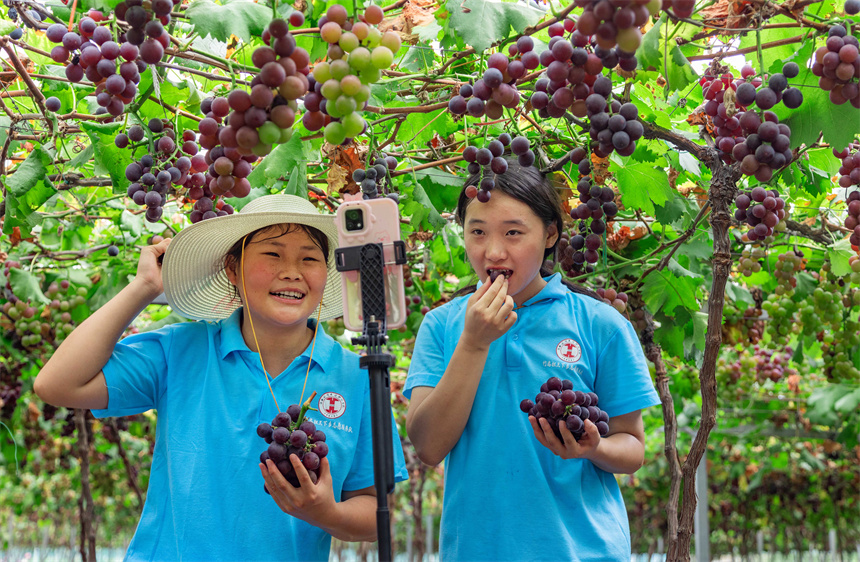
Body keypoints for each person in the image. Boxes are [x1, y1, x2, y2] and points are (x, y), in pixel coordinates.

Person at [35, 194, 408, 562]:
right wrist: (143, 289)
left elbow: (377, 511)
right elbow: (57, 384)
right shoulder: (180, 350)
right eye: (272, 253)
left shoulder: (359, 377)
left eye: (309, 258)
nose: (292, 270)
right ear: (233, 268)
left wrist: (325, 513)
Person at [404, 160, 660, 562]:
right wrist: (473, 343)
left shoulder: (600, 324)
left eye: (513, 232)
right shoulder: (442, 326)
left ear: (550, 235)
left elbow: (632, 448)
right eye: (477, 232)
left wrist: (593, 448)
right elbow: (429, 446)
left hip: (585, 552)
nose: (493, 250)